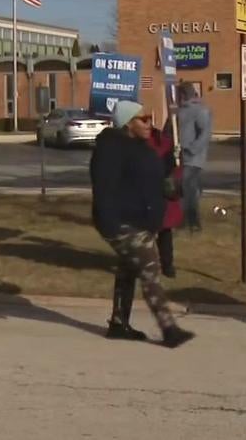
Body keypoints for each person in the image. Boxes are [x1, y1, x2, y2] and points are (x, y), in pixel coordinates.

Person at [90, 100, 195, 348]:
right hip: (122, 222)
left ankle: (118, 324)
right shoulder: (111, 150)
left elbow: (154, 182)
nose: (149, 123)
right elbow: (104, 189)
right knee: (150, 270)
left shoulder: (142, 148)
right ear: (128, 123)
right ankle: (169, 329)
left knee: (128, 271)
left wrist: (173, 183)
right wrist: (110, 223)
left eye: (150, 118)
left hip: (141, 220)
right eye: (143, 119)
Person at [144, 116, 183, 278]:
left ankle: (167, 265)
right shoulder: (135, 143)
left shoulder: (163, 142)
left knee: (165, 233)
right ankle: (147, 265)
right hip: (145, 194)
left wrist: (176, 158)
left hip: (162, 193)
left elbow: (173, 168)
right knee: (146, 233)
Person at [176, 83, 211, 232]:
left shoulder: (200, 110)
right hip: (180, 157)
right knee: (187, 189)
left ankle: (193, 223)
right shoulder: (179, 111)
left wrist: (192, 149)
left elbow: (205, 133)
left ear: (183, 95)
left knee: (187, 187)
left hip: (193, 158)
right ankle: (185, 221)